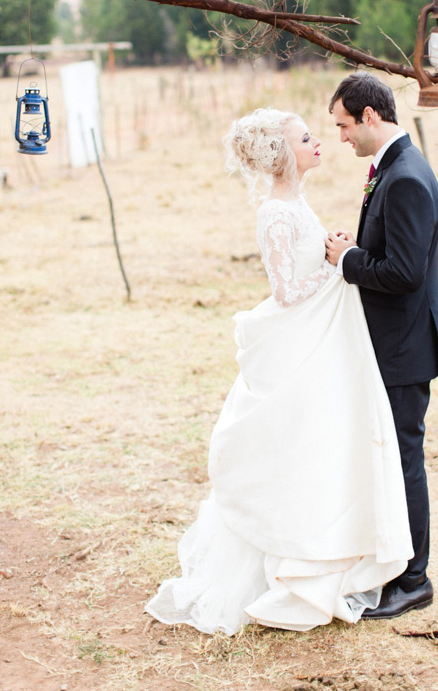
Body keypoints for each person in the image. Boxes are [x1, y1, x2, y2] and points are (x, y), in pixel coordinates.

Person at [145, 107, 413, 635]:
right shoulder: (275, 212)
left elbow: (307, 265)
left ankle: (325, 553)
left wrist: (333, 254)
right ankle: (292, 566)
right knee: (299, 446)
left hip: (321, 340)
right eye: (307, 138)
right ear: (283, 153)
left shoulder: (296, 203)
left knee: (320, 446)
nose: (319, 143)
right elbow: (287, 291)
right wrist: (342, 265)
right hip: (300, 344)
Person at [325, 72, 438, 620]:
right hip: (396, 342)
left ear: (371, 116)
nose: (342, 137)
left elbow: (402, 272)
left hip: (404, 347)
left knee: (405, 462)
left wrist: (347, 262)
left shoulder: (403, 178)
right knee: (396, 459)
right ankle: (397, 567)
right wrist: (359, 246)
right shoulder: (396, 168)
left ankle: (415, 580)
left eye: (345, 125)